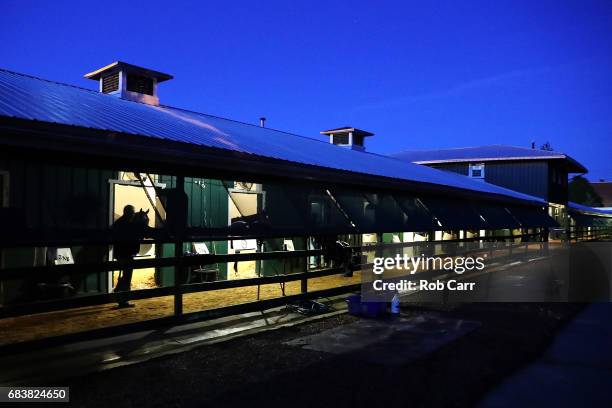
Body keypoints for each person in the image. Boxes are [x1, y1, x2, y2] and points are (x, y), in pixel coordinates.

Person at [112, 205, 141, 308]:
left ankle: (120, 294)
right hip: (125, 253)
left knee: (125, 275)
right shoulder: (127, 224)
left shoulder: (119, 223)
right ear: (128, 213)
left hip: (122, 253)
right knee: (127, 276)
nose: (133, 214)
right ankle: (123, 299)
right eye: (132, 212)